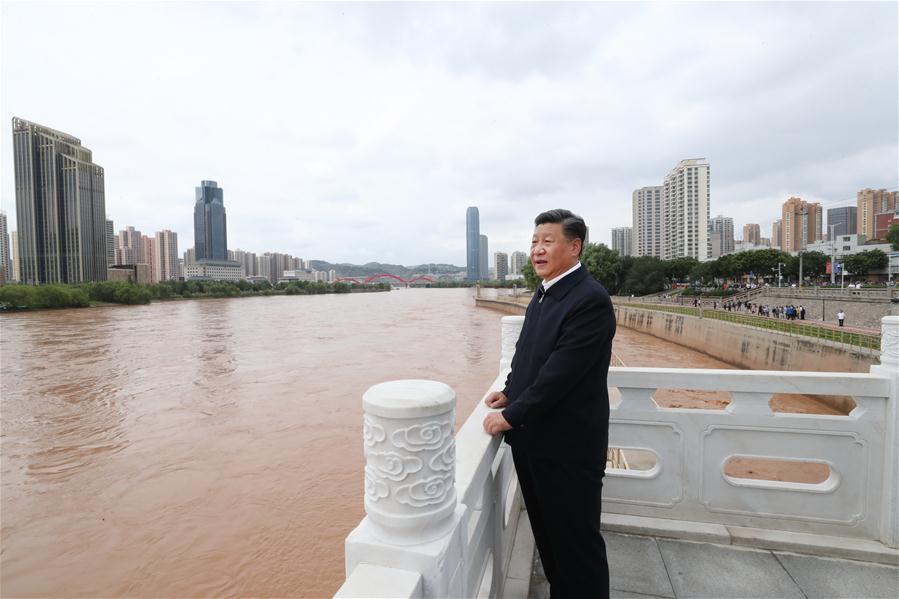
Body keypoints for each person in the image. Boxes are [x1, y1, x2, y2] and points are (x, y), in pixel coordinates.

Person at [483, 209, 615, 598]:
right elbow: (528, 354)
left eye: (547, 241)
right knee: (550, 539)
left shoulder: (589, 299)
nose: (538, 250)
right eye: (534, 242)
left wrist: (509, 416)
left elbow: (560, 374)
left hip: (568, 448)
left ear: (574, 247)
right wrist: (509, 391)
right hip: (536, 443)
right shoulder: (545, 293)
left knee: (577, 546)